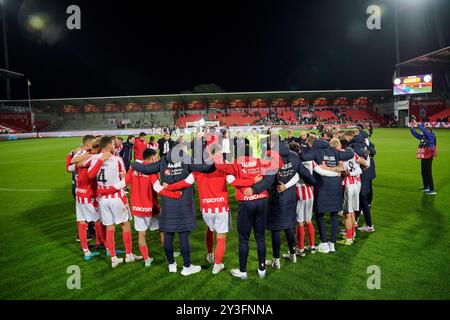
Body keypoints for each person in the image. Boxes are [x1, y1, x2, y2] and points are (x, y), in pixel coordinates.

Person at [164, 144, 260, 274]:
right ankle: (217, 265)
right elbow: (234, 182)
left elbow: (185, 182)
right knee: (221, 237)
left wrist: (168, 187)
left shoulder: (199, 167)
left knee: (210, 230)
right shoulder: (222, 166)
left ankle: (210, 254)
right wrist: (252, 181)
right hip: (220, 208)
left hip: (206, 209)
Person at [97, 148, 182, 267]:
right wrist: (175, 194)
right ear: (152, 158)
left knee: (141, 234)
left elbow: (122, 184)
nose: (157, 159)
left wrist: (104, 190)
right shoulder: (151, 170)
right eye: (156, 157)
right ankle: (170, 254)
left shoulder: (133, 169)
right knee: (163, 231)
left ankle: (147, 260)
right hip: (152, 207)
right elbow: (158, 188)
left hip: (137, 208)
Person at [214, 144, 278, 280]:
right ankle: (262, 269)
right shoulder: (260, 162)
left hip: (246, 203)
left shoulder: (236, 164)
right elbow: (270, 174)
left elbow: (224, 172)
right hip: (261, 201)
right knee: (260, 237)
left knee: (244, 239)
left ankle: (243, 271)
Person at [87, 136, 142, 268]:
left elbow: (89, 175)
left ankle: (113, 258)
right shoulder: (117, 159)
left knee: (110, 227)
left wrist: (100, 161)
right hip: (117, 197)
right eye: (113, 144)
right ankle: (128, 255)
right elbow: (124, 179)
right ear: (110, 146)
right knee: (125, 225)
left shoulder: (94, 159)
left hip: (103, 200)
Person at [302, 135, 353, 253]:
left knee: (319, 215)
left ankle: (324, 243)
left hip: (322, 185)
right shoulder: (334, 151)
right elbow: (350, 154)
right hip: (335, 185)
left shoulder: (315, 152)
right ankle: (332, 243)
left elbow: (303, 157)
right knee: (334, 214)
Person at [410, 121, 437, 195]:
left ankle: (432, 189)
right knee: (423, 172)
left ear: (429, 129)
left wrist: (418, 124)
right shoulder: (424, 136)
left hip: (429, 156)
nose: (423, 131)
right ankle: (426, 187)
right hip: (424, 156)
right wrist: (412, 128)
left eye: (425, 128)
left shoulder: (431, 135)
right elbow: (415, 134)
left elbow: (424, 131)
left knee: (429, 173)